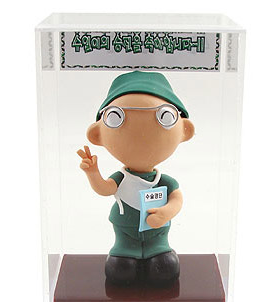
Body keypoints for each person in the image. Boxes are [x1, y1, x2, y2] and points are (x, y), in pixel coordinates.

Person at [77, 71, 194, 286]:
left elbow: (177, 198)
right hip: (126, 234)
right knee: (120, 271)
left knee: (164, 268)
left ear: (184, 130)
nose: (141, 137)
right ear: (97, 134)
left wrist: (166, 212)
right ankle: (126, 253)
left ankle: (156, 252)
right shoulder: (121, 178)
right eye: (116, 118)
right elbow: (105, 188)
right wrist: (93, 173)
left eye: (165, 117)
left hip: (157, 236)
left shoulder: (163, 181)